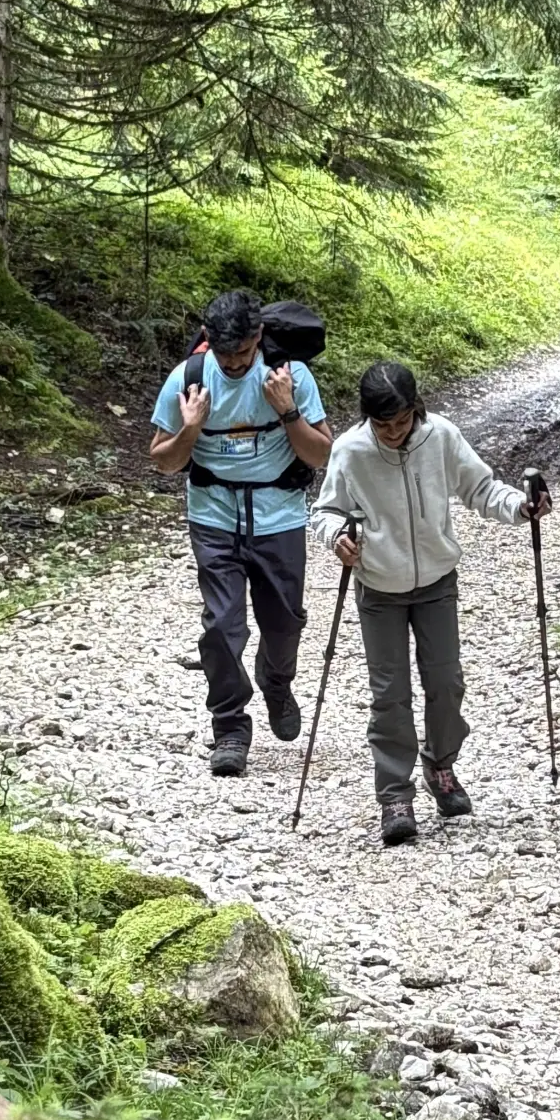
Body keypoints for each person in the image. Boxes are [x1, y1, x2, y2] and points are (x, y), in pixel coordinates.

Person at [310, 359, 552, 846]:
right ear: (368, 420)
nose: (395, 432)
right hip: (379, 585)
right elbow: (326, 511)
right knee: (390, 694)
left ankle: (440, 765)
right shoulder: (351, 450)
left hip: (438, 580)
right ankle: (395, 796)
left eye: (402, 421)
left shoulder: (439, 436)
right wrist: (338, 536)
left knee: (446, 682)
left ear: (416, 409)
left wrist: (521, 507)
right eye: (384, 425)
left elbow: (480, 488)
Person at [150, 290, 332, 776]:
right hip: (213, 517)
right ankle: (229, 727)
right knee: (221, 626)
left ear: (258, 338)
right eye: (224, 353)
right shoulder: (188, 378)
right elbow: (165, 461)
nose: (233, 364)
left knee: (285, 623)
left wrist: (288, 410)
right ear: (208, 340)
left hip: (280, 517)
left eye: (243, 353)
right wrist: (190, 428)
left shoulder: (288, 375)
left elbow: (321, 455)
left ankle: (276, 679)